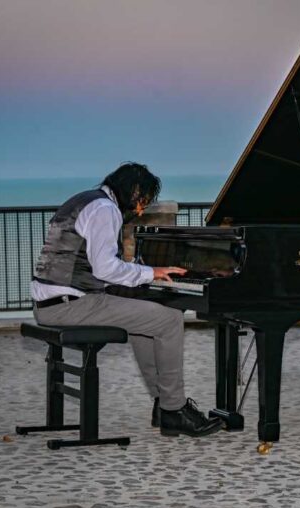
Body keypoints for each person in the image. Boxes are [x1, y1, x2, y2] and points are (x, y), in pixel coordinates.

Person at [30, 162, 222, 438]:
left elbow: (90, 267)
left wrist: (140, 279)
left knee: (146, 321)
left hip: (51, 303)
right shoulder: (106, 210)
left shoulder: (83, 201)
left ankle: (162, 403)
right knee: (169, 320)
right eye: (142, 201)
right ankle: (174, 410)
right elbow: (105, 269)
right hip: (71, 305)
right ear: (133, 191)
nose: (141, 210)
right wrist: (151, 272)